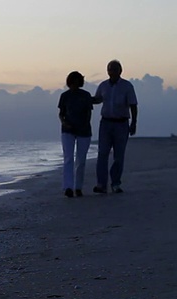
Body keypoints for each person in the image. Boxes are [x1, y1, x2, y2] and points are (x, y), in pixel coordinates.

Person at [92, 60, 138, 194]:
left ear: (120, 71)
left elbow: (133, 105)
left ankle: (116, 183)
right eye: (110, 69)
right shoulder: (103, 85)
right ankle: (101, 184)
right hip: (105, 123)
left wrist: (134, 123)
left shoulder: (127, 86)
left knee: (119, 156)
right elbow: (97, 99)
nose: (112, 72)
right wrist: (82, 98)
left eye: (114, 69)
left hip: (121, 124)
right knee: (102, 154)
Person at [57, 71, 93, 198]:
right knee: (68, 158)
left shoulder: (86, 95)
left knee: (81, 160)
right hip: (68, 130)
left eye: (78, 81)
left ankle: (78, 187)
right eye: (73, 82)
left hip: (84, 130)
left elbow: (89, 113)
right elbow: (61, 113)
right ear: (70, 82)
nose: (75, 84)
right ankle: (68, 187)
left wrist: (84, 124)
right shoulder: (65, 96)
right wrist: (64, 123)